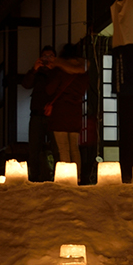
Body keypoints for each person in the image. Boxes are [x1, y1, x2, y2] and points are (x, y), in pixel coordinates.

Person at [44, 43, 89, 181]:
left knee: (63, 148)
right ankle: (78, 177)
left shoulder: (60, 70)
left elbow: (50, 89)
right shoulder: (84, 72)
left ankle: (66, 179)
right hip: (75, 113)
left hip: (60, 112)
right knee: (74, 148)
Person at [21, 45, 57, 182]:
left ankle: (58, 177)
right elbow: (25, 84)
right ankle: (34, 178)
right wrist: (34, 70)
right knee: (34, 150)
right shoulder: (37, 73)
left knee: (56, 148)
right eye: (44, 56)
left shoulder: (57, 72)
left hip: (53, 116)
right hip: (36, 115)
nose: (47, 59)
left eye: (50, 56)